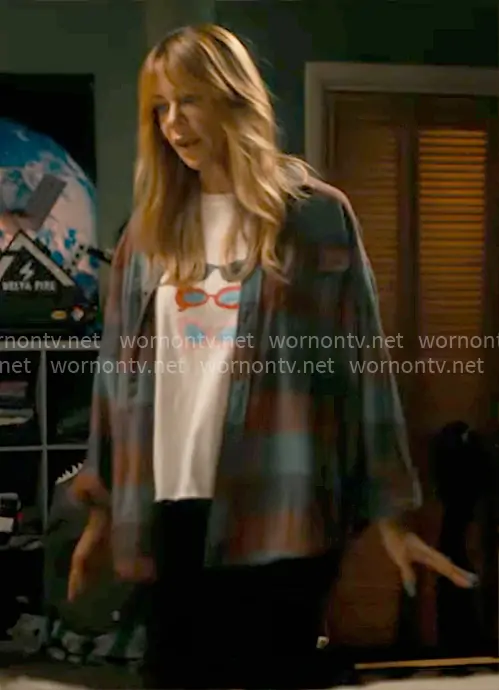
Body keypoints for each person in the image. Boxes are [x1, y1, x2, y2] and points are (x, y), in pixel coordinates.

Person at [67, 24, 478, 690]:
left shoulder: (318, 218)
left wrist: (390, 517)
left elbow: (364, 371)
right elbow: (116, 380)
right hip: (172, 511)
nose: (173, 124)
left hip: (281, 506)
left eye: (188, 101)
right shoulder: (148, 233)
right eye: (160, 108)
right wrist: (99, 515)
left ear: (232, 98)